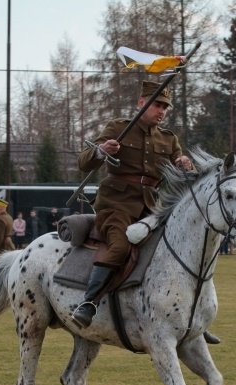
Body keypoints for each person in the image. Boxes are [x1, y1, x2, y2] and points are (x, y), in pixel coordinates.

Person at [72, 80, 193, 329]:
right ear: (141, 103)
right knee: (120, 246)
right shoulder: (118, 128)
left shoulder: (169, 140)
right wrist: (102, 150)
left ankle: (188, 316)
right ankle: (89, 302)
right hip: (115, 205)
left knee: (180, 251)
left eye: (165, 108)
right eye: (157, 105)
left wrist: (184, 165)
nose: (162, 111)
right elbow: (83, 163)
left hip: (151, 209)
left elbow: (180, 174)